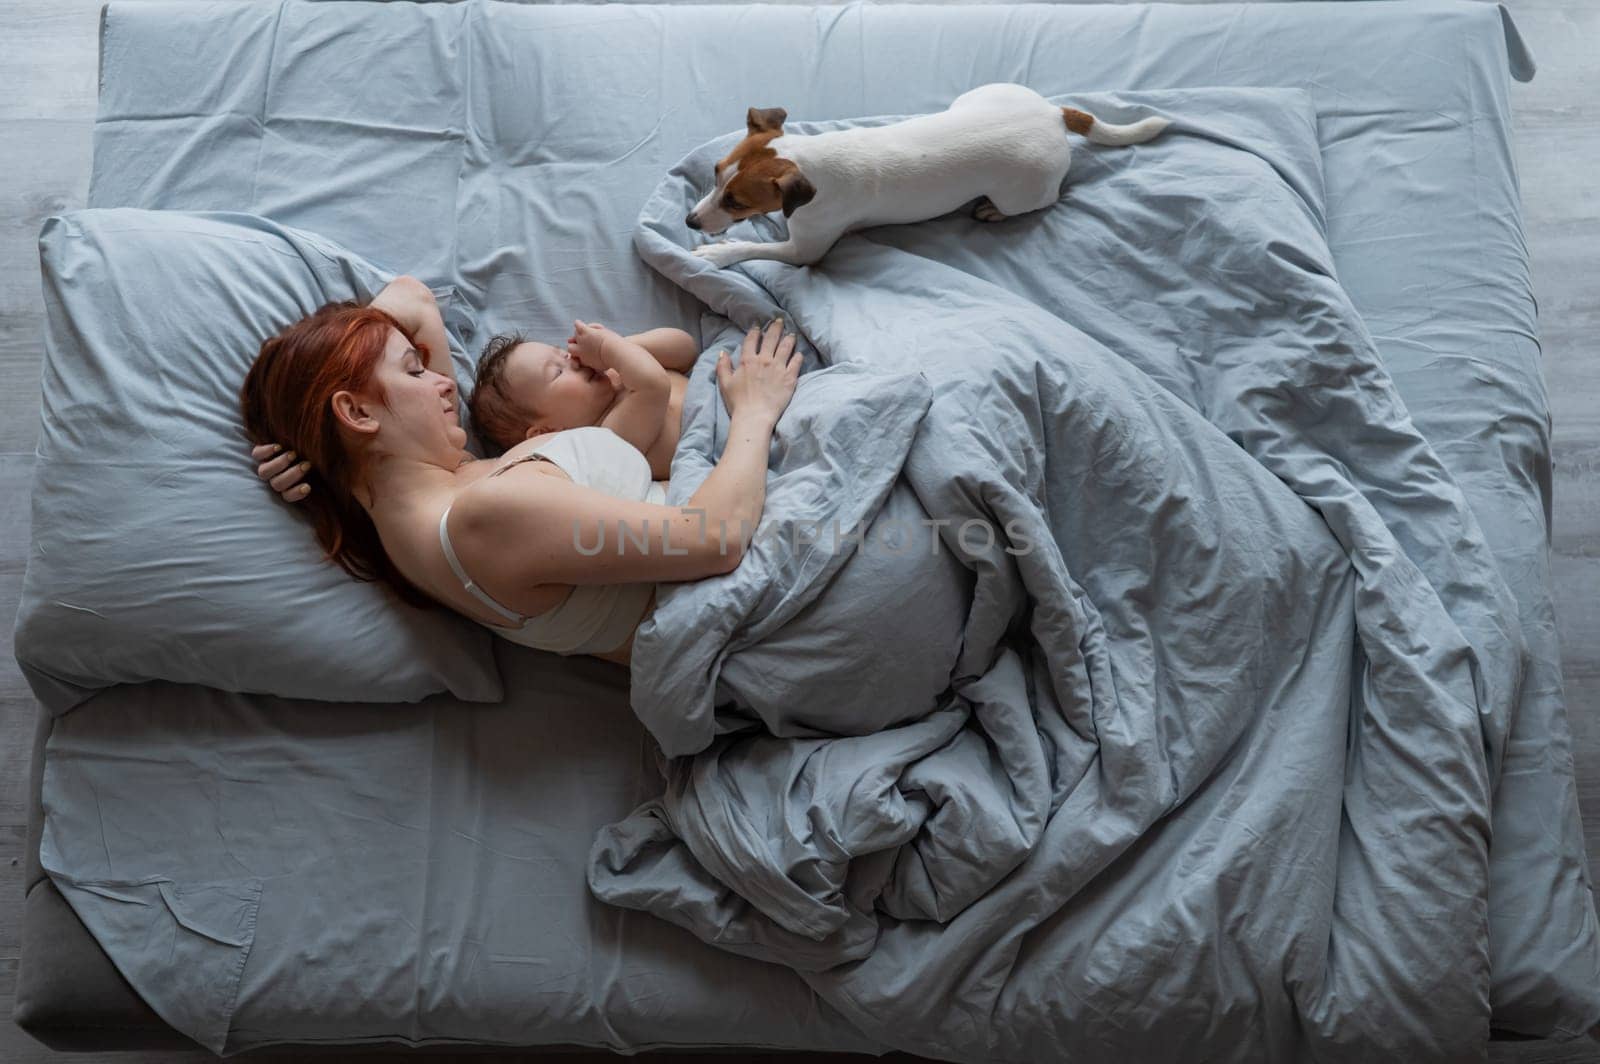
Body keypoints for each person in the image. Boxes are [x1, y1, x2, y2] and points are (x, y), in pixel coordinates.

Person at [242, 276, 799, 665]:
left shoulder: (429, 493)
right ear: (358, 413)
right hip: (769, 602)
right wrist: (756, 409)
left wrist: (309, 437)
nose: (443, 383)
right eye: (413, 370)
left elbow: (413, 298)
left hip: (749, 548)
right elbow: (716, 540)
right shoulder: (484, 517)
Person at [469, 322, 693, 480]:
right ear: (545, 431)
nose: (574, 361)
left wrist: (625, 343)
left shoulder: (616, 371)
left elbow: (686, 349)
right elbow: (655, 385)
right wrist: (609, 349)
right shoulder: (605, 438)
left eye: (563, 354)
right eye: (557, 371)